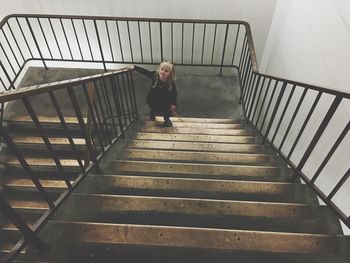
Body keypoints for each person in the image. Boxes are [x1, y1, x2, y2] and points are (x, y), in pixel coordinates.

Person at [134, 62, 177, 127]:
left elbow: (174, 93)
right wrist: (134, 67)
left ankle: (167, 119)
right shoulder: (155, 75)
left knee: (168, 109)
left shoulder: (171, 82)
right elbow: (145, 72)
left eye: (166, 71)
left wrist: (173, 103)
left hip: (165, 99)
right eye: (161, 69)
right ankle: (152, 115)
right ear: (159, 69)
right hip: (154, 98)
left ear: (170, 73)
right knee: (153, 108)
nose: (163, 72)